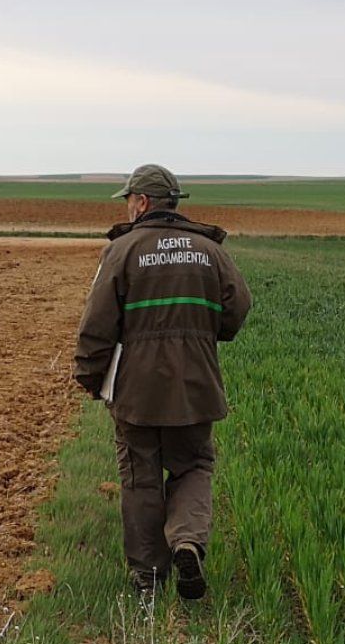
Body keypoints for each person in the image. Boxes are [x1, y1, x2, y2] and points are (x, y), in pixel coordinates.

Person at [74, 163, 252, 600]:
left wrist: (90, 374)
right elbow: (238, 306)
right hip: (196, 384)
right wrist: (207, 336)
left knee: (141, 475)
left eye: (129, 199)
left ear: (143, 202)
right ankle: (188, 542)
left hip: (137, 389)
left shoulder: (123, 251)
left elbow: (97, 324)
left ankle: (148, 575)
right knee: (193, 465)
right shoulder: (208, 251)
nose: (129, 207)